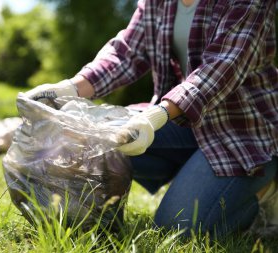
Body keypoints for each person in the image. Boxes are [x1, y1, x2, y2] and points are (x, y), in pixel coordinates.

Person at [23, 0, 278, 237]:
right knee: (88, 138)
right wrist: (69, 88)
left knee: (175, 228)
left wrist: (155, 117)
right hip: (187, 123)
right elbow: (126, 53)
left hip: (243, 133)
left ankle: (262, 197)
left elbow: (222, 67)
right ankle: (196, 174)